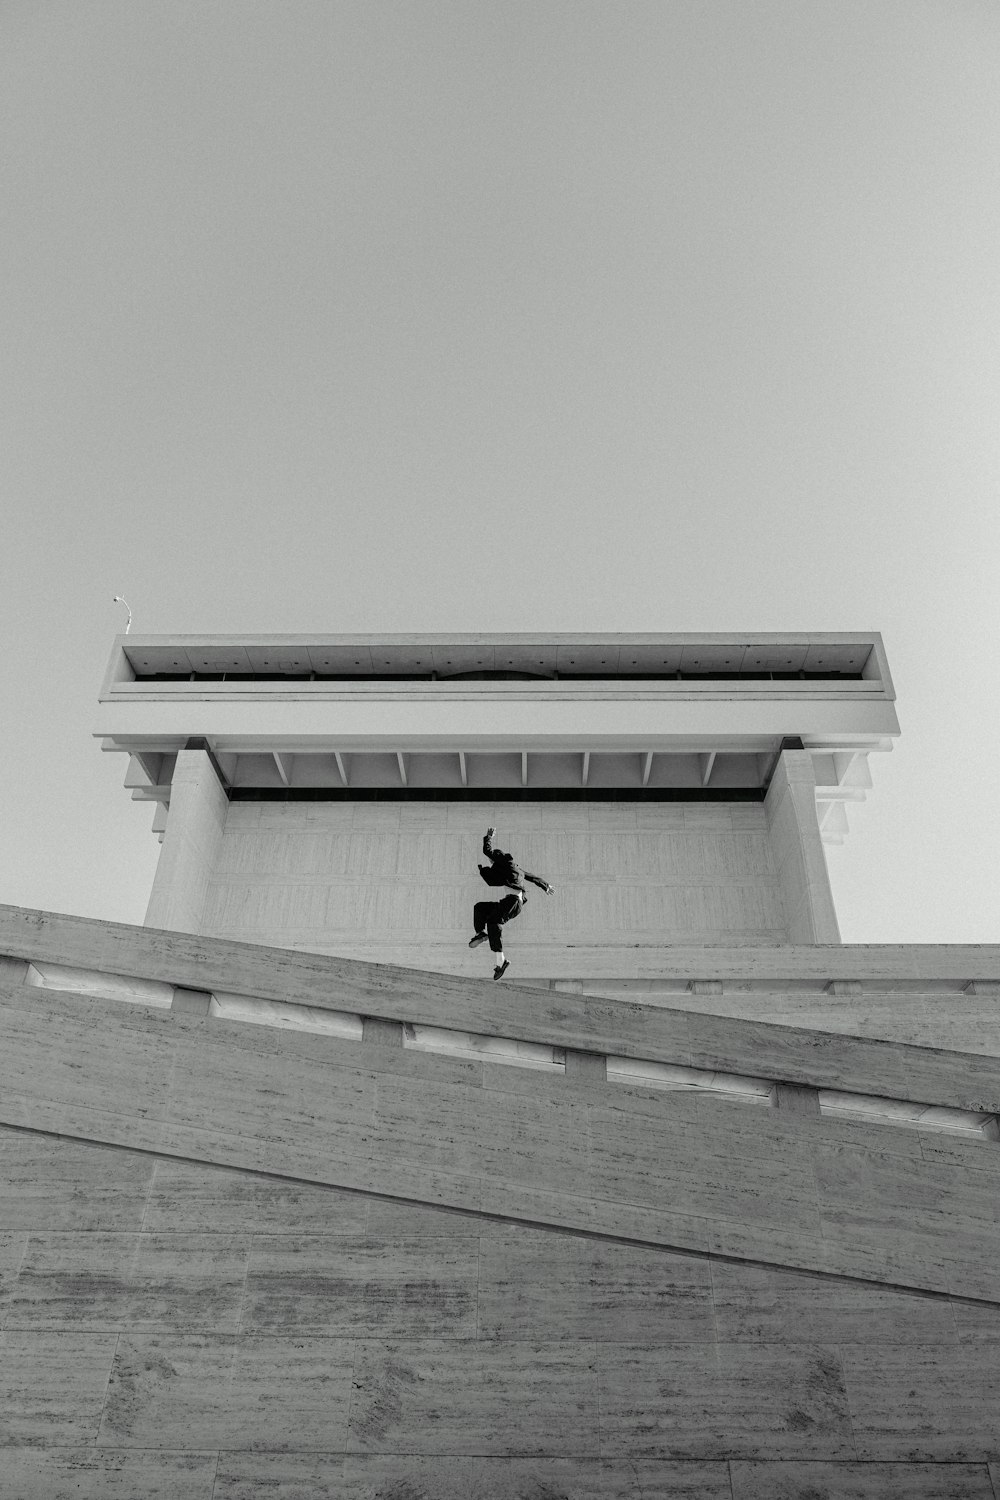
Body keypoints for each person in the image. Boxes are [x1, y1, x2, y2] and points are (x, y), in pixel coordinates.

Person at [468, 826, 555, 980]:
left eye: (492, 860)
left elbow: (487, 851)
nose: (491, 862)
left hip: (512, 902)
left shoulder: (503, 862)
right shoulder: (517, 869)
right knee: (480, 908)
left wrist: (489, 837)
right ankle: (480, 933)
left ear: (498, 858)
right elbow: (533, 878)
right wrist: (546, 886)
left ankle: (501, 962)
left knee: (494, 922)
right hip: (512, 903)